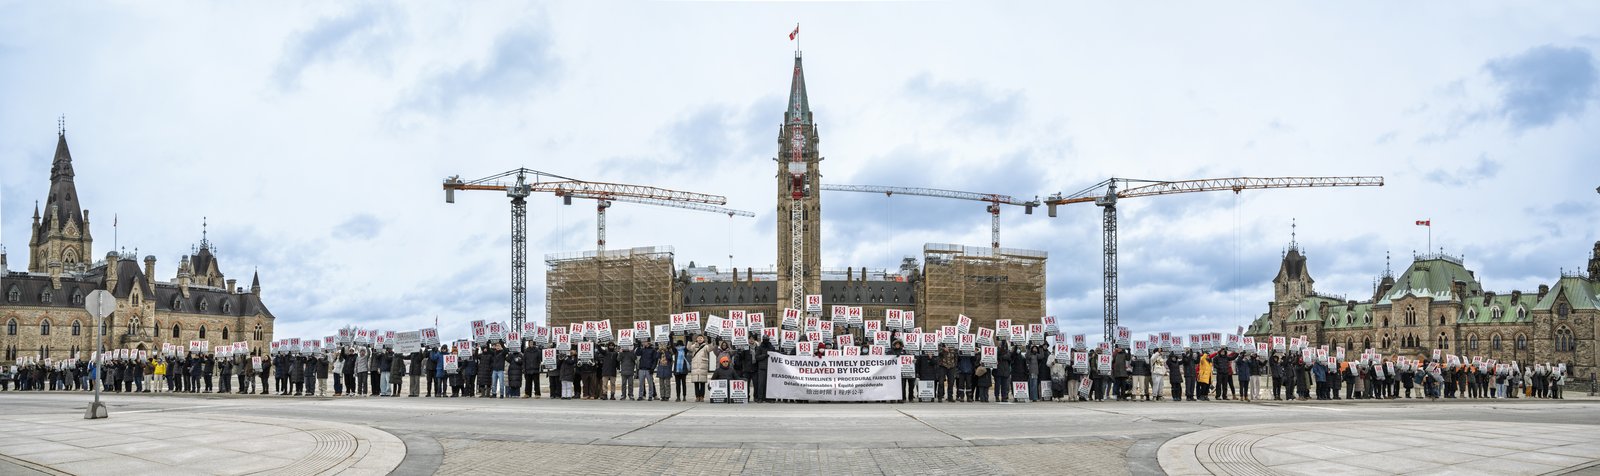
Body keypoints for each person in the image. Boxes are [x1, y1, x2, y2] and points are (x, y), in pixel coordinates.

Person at [688, 335, 712, 402]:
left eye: (701, 338)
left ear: (703, 339)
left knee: (702, 383)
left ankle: (702, 396)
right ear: (696, 339)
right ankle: (697, 396)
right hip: (695, 367)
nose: (700, 339)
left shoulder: (705, 346)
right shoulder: (694, 346)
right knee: (696, 383)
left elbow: (710, 349)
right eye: (698, 338)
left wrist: (709, 340)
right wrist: (689, 339)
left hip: (702, 367)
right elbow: (688, 347)